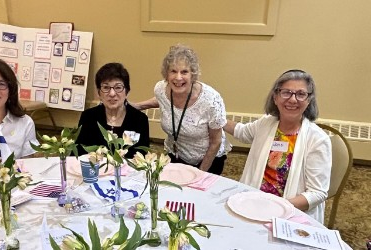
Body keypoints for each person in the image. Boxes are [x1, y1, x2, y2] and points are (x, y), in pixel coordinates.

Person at [223, 69, 330, 223]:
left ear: (309, 100)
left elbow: (318, 193)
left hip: (290, 213)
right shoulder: (266, 123)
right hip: (252, 204)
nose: (293, 100)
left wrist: (279, 208)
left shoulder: (318, 139)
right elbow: (242, 132)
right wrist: (216, 118)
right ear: (275, 97)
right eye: (286, 93)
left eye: (301, 94)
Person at [133, 45, 229, 174]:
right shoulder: (161, 89)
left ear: (193, 74)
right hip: (175, 153)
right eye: (173, 71)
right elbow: (163, 100)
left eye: (184, 72)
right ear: (166, 73)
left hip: (207, 160)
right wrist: (139, 106)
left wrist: (200, 174)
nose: (178, 78)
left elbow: (215, 142)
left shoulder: (211, 101)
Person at [76, 63, 149, 158]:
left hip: (127, 172)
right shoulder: (88, 117)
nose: (112, 93)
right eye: (106, 87)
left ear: (127, 91)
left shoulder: (139, 120)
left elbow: (141, 157)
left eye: (118, 87)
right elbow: (78, 153)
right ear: (99, 92)